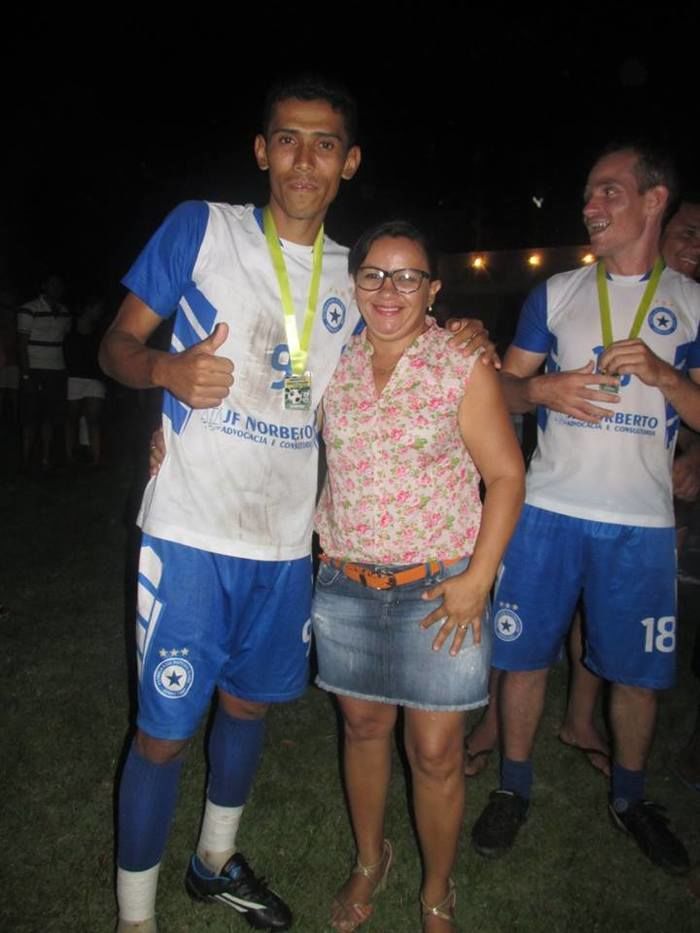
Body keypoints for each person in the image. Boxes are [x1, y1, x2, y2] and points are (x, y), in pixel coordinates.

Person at [100, 75, 492, 933]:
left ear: (349, 162)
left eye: (324, 144)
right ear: (261, 150)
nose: (303, 158)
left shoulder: (357, 280)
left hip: (286, 547)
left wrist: (470, 330)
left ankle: (212, 863)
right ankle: (134, 918)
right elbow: (117, 344)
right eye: (286, 139)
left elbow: (417, 334)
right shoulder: (202, 229)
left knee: (248, 707)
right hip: (193, 530)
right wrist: (164, 370)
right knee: (164, 732)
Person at [470, 142, 700, 877]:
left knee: (635, 674)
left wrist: (666, 376)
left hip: (641, 522)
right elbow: (497, 391)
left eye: (609, 192)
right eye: (590, 194)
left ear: (653, 200)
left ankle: (632, 800)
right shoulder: (559, 293)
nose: (591, 206)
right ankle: (513, 784)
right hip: (546, 511)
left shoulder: (693, 302)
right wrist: (543, 391)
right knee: (523, 656)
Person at [312, 221, 525, 931]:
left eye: (408, 276)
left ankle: (437, 888)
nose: (388, 289)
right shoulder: (328, 361)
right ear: (354, 283)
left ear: (433, 289)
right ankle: (372, 858)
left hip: (441, 589)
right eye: (373, 274)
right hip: (345, 582)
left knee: (435, 752)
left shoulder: (460, 362)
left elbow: (505, 475)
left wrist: (478, 578)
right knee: (363, 727)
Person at [17, 273, 72, 471]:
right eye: (53, 284)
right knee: (30, 416)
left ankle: (46, 458)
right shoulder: (29, 309)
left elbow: (64, 340)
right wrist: (26, 374)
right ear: (44, 286)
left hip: (57, 370)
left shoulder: (65, 312)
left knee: (51, 416)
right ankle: (24, 459)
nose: (57, 288)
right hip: (35, 369)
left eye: (59, 284)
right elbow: (21, 344)